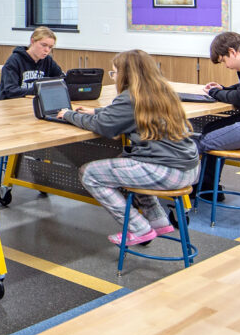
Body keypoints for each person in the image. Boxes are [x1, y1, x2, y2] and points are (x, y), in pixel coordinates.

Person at [55, 49, 200, 246]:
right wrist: (98, 111)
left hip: (168, 171)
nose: (113, 78)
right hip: (189, 168)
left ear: (126, 75)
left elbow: (103, 126)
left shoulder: (130, 96)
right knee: (127, 161)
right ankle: (158, 222)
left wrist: (69, 115)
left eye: (114, 73)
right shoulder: (161, 91)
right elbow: (127, 113)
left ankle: (139, 228)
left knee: (89, 174)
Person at [0, 26, 65, 100]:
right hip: (10, 104)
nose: (47, 50)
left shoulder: (48, 61)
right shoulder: (14, 60)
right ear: (32, 41)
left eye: (50, 47)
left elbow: (61, 79)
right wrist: (39, 90)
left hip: (32, 103)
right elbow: (11, 91)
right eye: (43, 45)